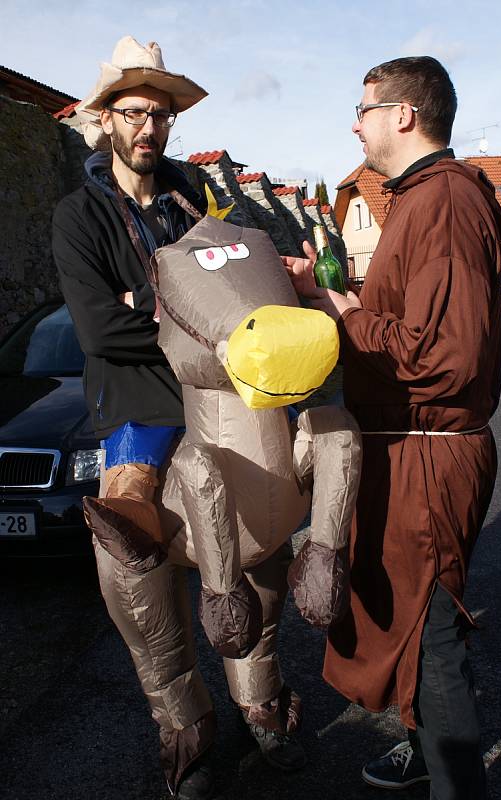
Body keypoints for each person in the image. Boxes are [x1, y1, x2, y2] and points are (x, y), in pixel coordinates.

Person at [53, 36, 305, 800]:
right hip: (137, 403)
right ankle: (182, 721)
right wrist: (189, 318)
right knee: (131, 551)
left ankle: (258, 697)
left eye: (159, 115)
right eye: (132, 113)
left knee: (257, 539)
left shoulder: (198, 195)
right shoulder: (77, 216)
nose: (148, 129)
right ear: (105, 120)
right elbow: (100, 331)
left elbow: (245, 280)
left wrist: (160, 307)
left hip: (223, 396)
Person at [284, 56, 501, 800]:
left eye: (365, 108)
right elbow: (413, 322)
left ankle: (456, 786)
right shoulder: (415, 198)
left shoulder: (442, 198)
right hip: (403, 449)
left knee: (429, 629)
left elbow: (445, 357)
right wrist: (330, 293)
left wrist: (347, 315)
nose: (355, 122)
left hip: (428, 453)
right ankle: (422, 753)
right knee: (405, 620)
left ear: (404, 115)